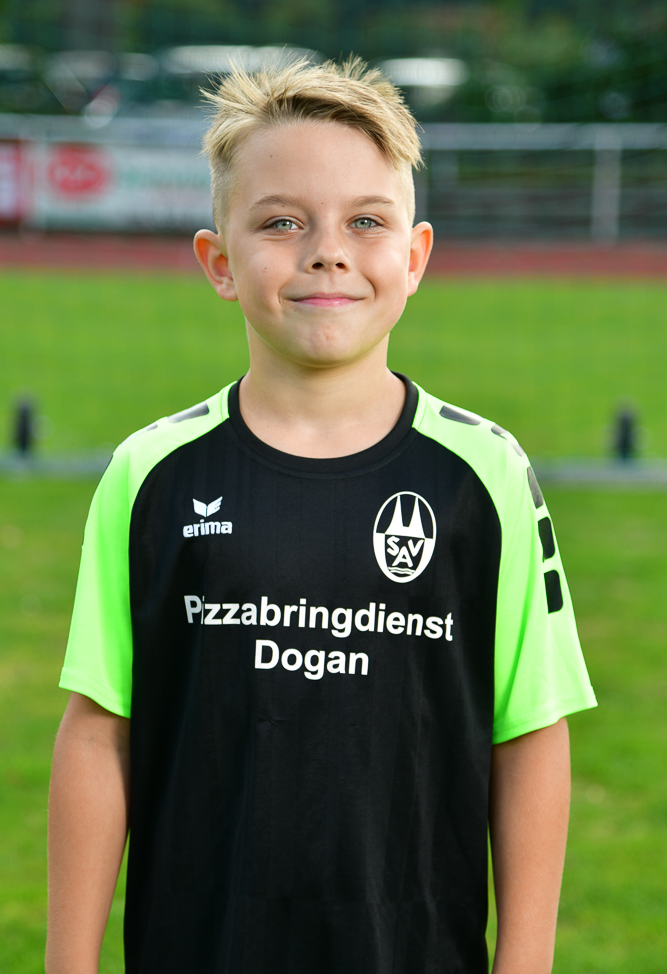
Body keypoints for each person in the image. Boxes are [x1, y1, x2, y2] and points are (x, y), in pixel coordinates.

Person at [47, 57, 596, 974]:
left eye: (366, 222)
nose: (327, 251)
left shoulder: (486, 474)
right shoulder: (150, 474)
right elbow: (101, 730)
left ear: (414, 258)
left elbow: (531, 731)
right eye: (281, 222)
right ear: (219, 262)